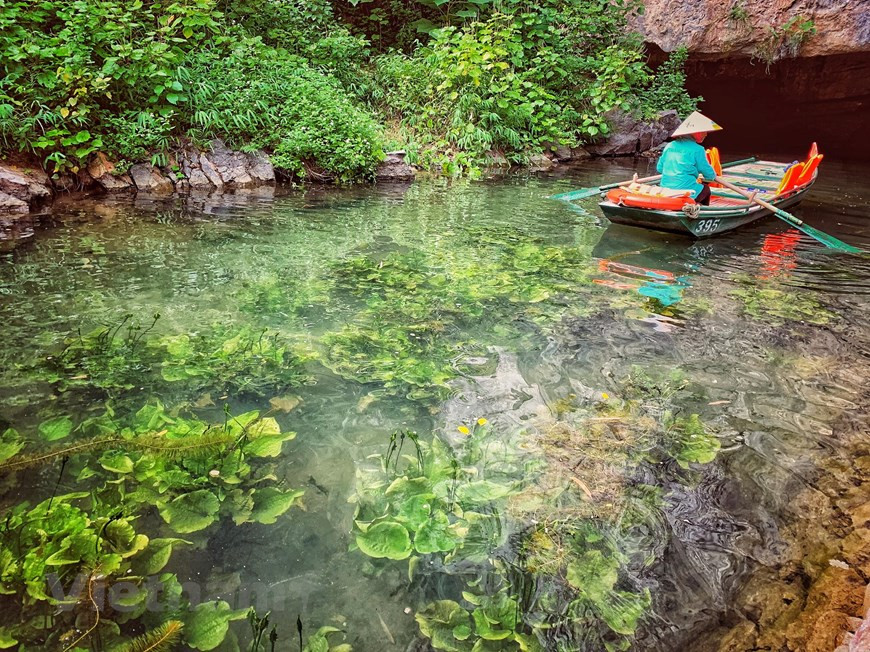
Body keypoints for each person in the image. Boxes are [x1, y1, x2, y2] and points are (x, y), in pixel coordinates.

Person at [656, 111, 723, 206]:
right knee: (705, 189)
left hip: (665, 187)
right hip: (685, 189)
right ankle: (700, 209)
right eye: (704, 132)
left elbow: (659, 168)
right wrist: (712, 176)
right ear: (697, 133)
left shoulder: (669, 146)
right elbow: (707, 172)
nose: (706, 134)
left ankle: (694, 205)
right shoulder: (698, 149)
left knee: (697, 185)